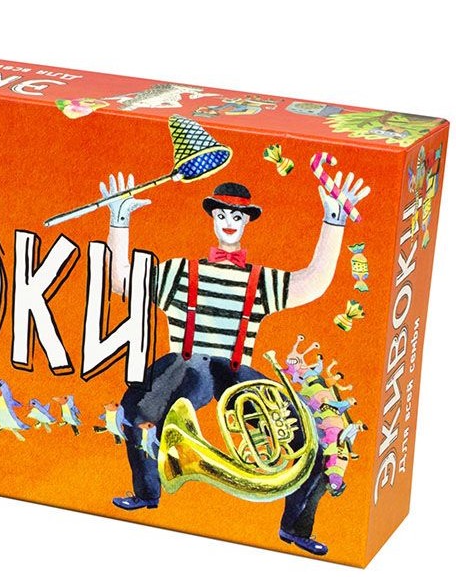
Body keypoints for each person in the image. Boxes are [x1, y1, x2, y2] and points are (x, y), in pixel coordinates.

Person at [102, 172, 369, 556]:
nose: (229, 222)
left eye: (237, 216)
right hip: (187, 362)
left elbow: (313, 282)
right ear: (213, 218)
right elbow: (122, 282)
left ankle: (295, 528)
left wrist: (333, 221)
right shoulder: (179, 272)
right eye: (222, 215)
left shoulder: (260, 281)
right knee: (135, 409)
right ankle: (146, 493)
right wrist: (119, 221)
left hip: (234, 367)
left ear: (246, 222)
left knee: (311, 438)